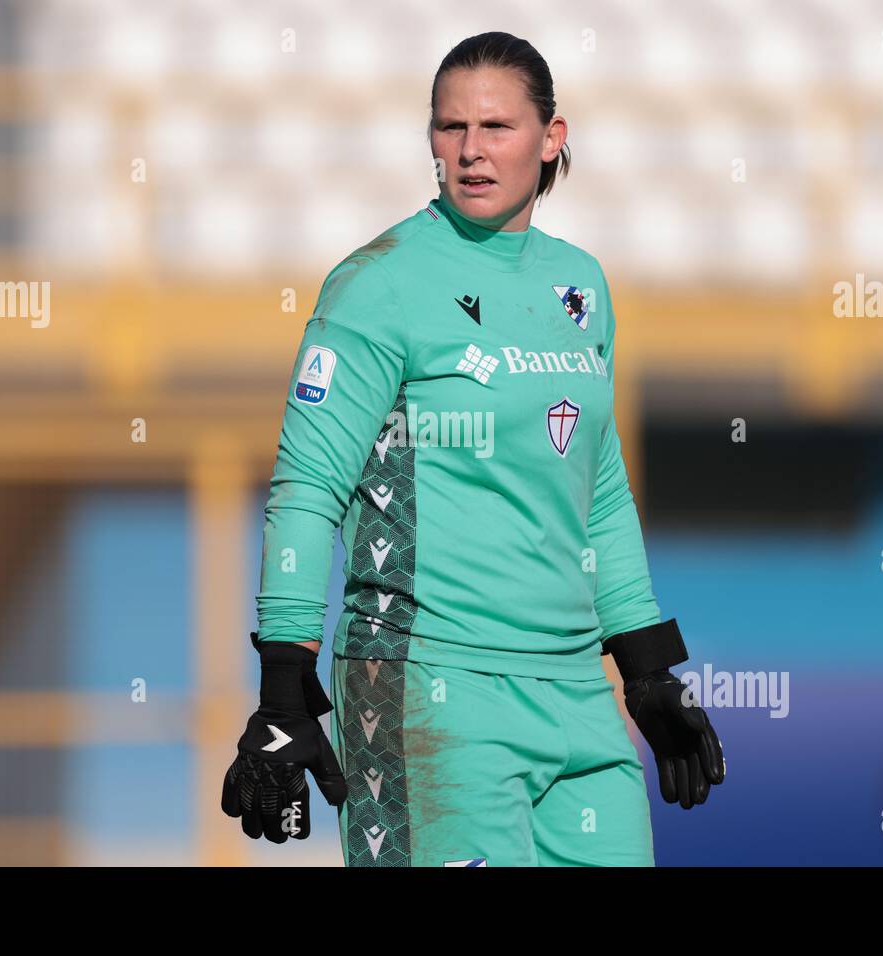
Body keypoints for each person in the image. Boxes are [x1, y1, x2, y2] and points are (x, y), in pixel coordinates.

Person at [222, 31, 725, 867]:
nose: (471, 151)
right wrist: (283, 683)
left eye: (496, 127)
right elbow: (307, 487)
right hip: (428, 691)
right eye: (450, 128)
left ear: (551, 137)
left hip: (575, 695)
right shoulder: (377, 284)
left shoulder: (581, 288)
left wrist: (644, 668)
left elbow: (596, 490)